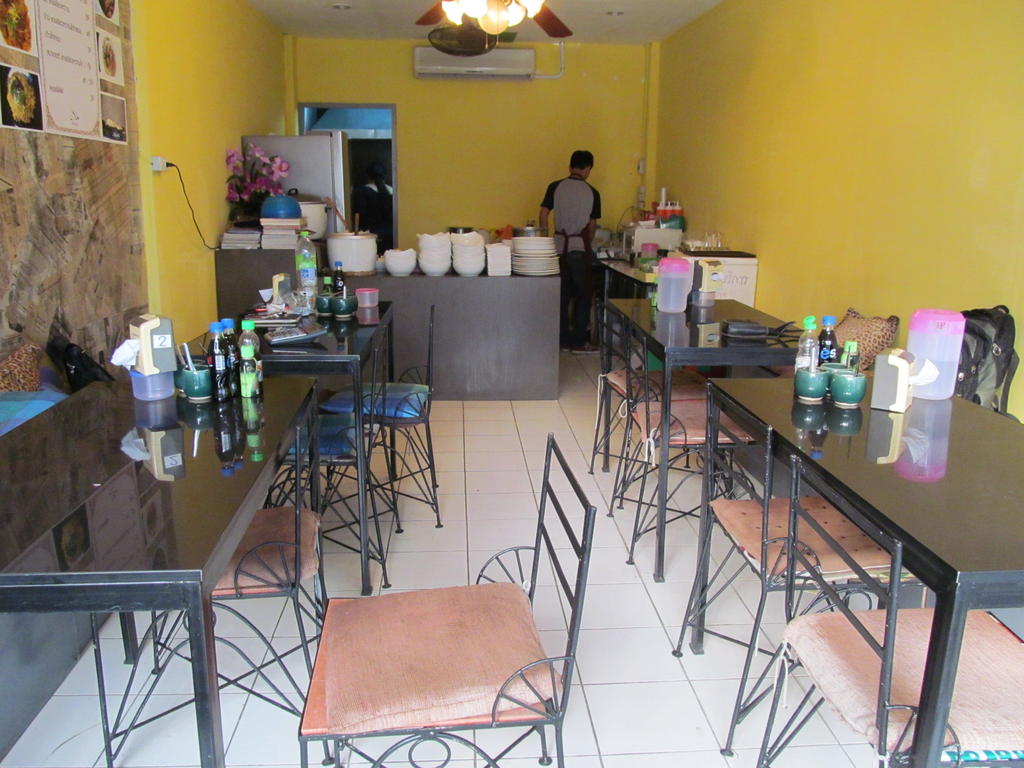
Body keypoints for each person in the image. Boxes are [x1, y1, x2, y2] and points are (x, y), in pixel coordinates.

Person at [539, 150, 601, 353]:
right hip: (578, 249)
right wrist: (586, 243)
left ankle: (562, 341)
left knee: (561, 296)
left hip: (558, 249)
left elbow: (543, 213)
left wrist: (546, 238)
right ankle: (579, 342)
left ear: (570, 166)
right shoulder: (592, 192)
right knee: (583, 296)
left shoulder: (555, 186)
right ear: (588, 169)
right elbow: (592, 225)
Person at [351, 160, 394, 253]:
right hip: (393, 236)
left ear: (368, 176)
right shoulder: (393, 191)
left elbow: (358, 216)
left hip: (370, 236)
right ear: (385, 175)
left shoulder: (361, 191)